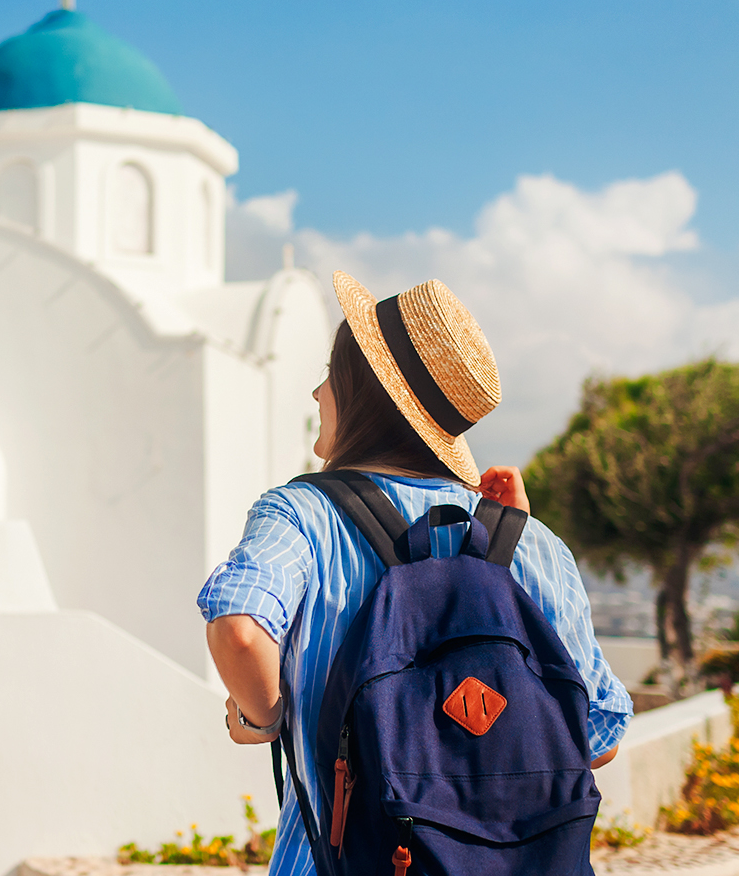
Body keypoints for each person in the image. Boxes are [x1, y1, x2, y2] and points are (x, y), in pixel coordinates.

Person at [198, 271, 632, 876]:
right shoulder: (535, 544)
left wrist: (261, 719)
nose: (317, 393)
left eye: (332, 377)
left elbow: (241, 630)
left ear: (361, 394)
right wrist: (514, 552)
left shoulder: (301, 514)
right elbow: (597, 739)